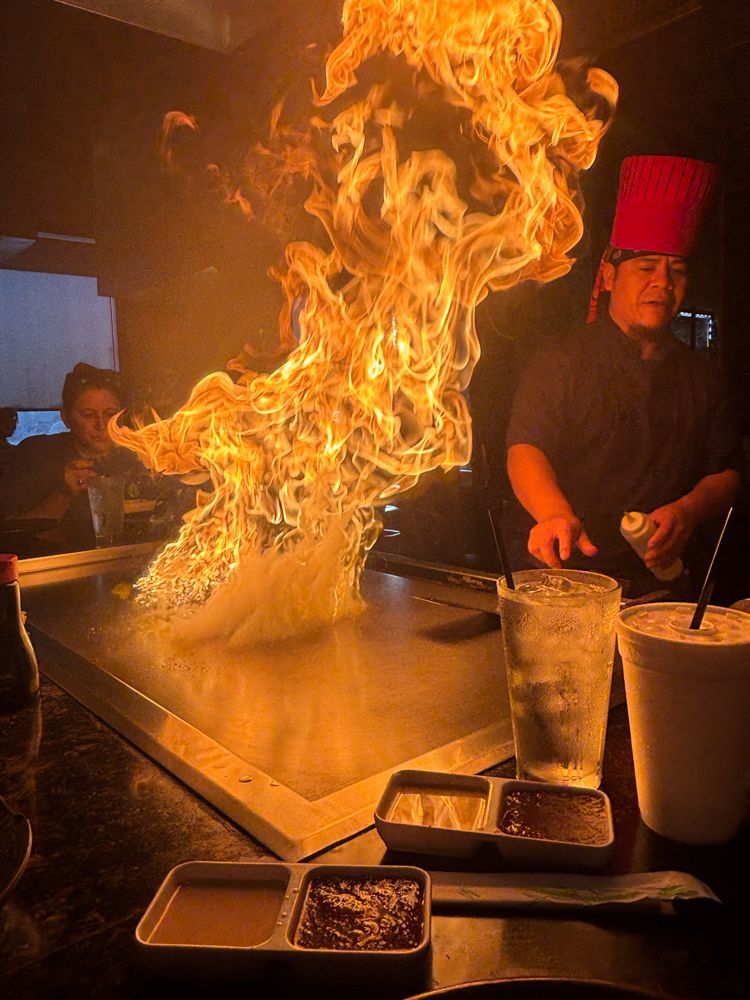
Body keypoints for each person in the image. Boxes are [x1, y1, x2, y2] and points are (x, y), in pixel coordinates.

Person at [505, 155, 742, 594]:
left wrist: (687, 511)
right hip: (565, 579)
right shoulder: (560, 360)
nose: (663, 283)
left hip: (663, 587)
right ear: (610, 276)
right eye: (646, 268)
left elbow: (726, 472)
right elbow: (525, 448)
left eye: (677, 272)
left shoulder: (702, 375)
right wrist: (554, 513)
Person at [0, 363, 144, 549]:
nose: (101, 425)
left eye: (110, 414)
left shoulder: (135, 457)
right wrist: (64, 494)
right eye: (88, 415)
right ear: (65, 417)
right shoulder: (37, 454)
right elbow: (10, 534)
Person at [0, 408, 18, 475]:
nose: (14, 427)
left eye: (15, 423)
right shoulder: (12, 450)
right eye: (6, 422)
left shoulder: (14, 449)